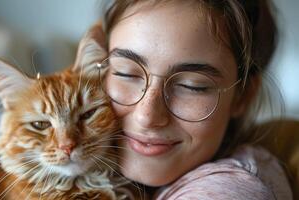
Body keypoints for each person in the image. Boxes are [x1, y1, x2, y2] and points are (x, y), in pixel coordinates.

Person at [94, 0, 293, 199]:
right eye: (125, 73)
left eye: (191, 86)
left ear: (242, 96)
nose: (147, 116)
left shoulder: (229, 190)